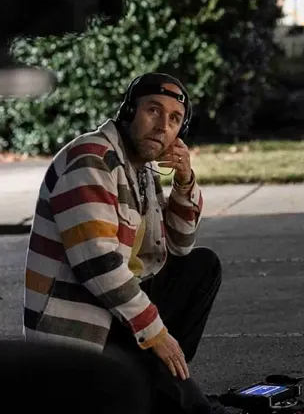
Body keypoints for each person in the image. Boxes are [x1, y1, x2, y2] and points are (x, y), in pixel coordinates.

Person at [23, 73, 223, 414]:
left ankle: (152, 378)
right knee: (195, 408)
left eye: (174, 120)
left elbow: (180, 244)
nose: (162, 126)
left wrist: (185, 181)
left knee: (201, 267)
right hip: (78, 325)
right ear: (130, 111)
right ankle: (148, 381)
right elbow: (97, 263)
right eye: (153, 111)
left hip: (116, 310)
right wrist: (157, 334)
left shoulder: (141, 169)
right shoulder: (92, 159)